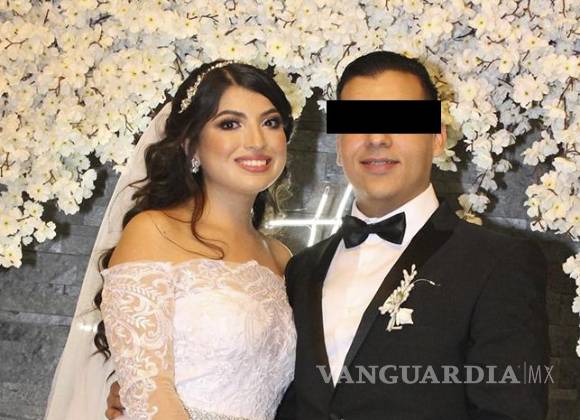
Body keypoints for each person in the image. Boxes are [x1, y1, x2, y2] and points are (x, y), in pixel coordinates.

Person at [274, 51, 550, 419]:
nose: (377, 138)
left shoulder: (498, 263)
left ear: (437, 137)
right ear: (339, 144)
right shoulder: (302, 269)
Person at [45, 60, 297, 419]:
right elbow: (149, 390)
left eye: (270, 122)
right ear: (191, 145)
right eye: (230, 124)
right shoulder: (153, 232)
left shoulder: (282, 258)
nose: (257, 141)